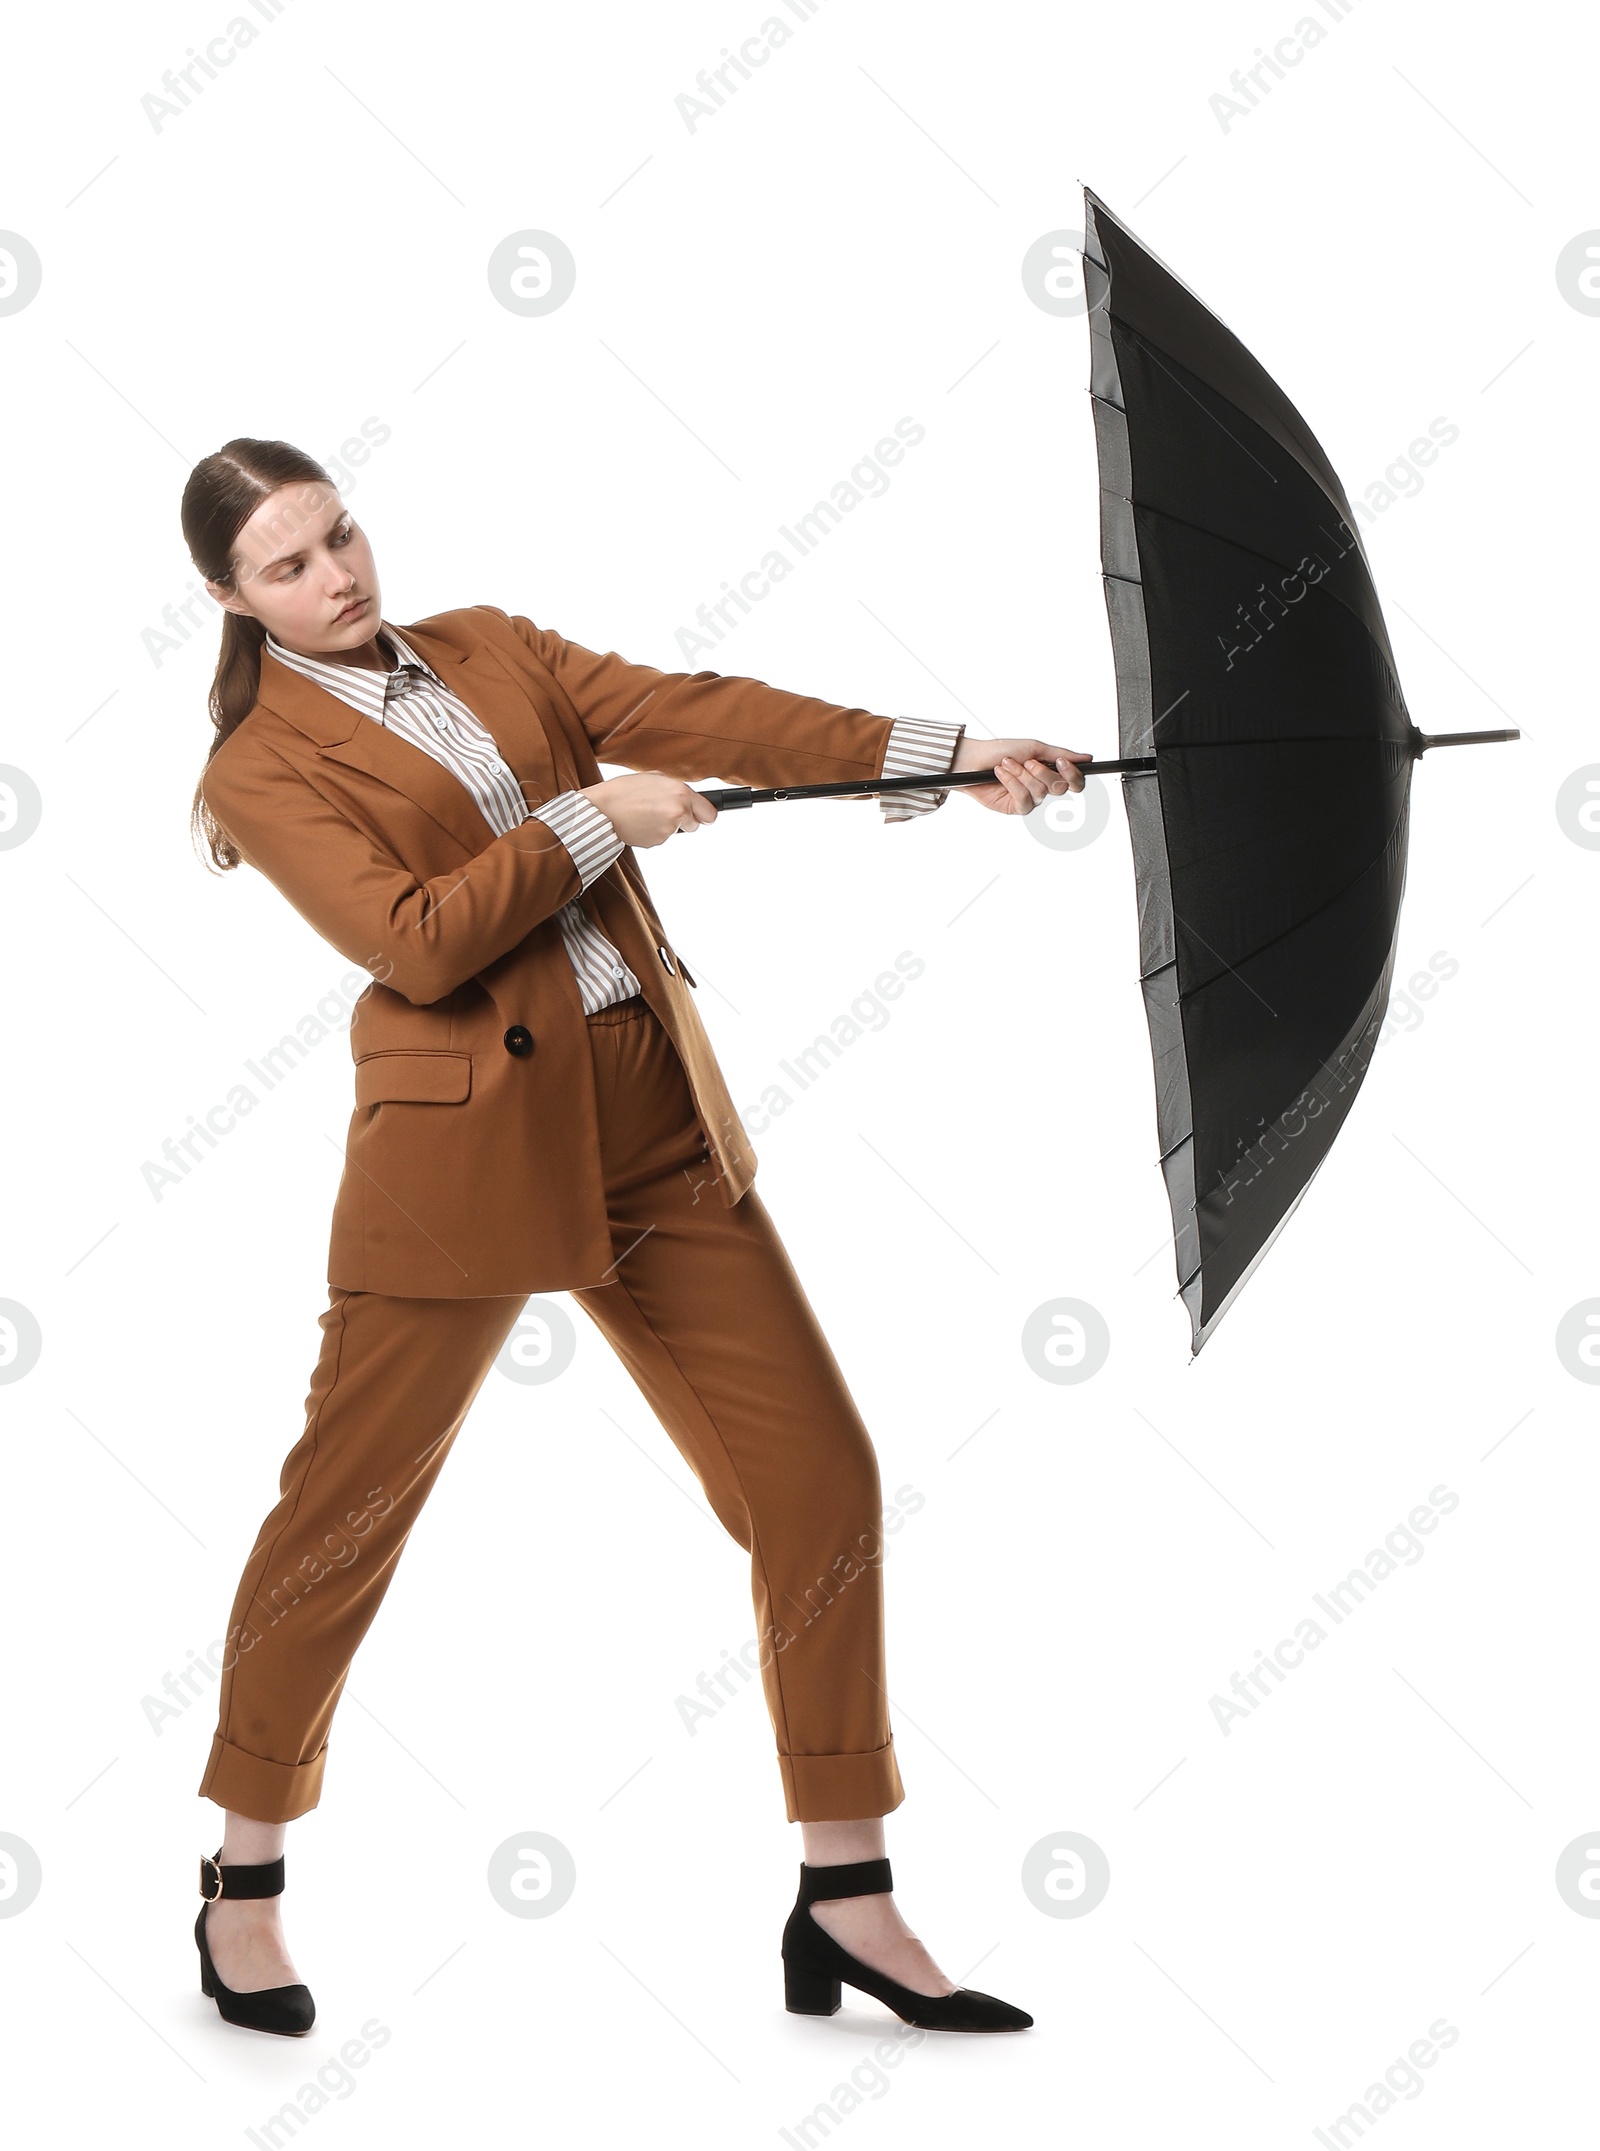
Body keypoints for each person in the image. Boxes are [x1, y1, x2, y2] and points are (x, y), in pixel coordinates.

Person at [182, 436, 1087, 2038]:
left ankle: (846, 1896)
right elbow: (416, 940)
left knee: (819, 1477)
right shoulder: (257, 768)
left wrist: (938, 756)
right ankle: (242, 1884)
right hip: (455, 1167)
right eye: (289, 567)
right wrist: (592, 822)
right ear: (230, 600)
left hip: (653, 1126)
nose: (338, 578)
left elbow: (703, 710)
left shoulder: (486, 644)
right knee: (343, 1519)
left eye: (341, 536)